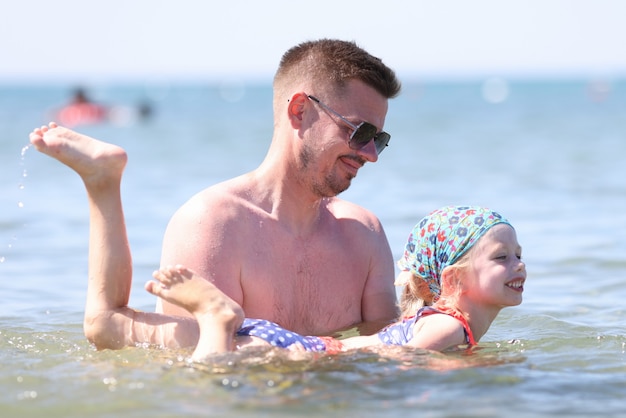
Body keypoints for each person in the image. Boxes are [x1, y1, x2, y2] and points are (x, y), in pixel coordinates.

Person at [28, 122, 526, 362]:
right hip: (309, 353)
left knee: (107, 325)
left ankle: (102, 181)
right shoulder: (449, 330)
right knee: (204, 364)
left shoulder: (435, 316)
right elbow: (392, 372)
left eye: (518, 254)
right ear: (453, 278)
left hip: (297, 345)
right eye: (502, 256)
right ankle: (217, 319)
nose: (519, 265)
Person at [156, 39, 402, 337]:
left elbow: (390, 357)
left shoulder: (364, 233)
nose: (371, 154)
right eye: (360, 132)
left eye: (378, 139)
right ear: (300, 111)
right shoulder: (213, 225)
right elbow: (203, 366)